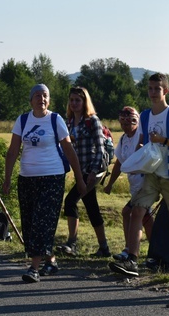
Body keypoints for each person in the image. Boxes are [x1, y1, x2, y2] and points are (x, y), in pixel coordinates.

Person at [3, 84, 87, 283]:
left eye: (45, 96)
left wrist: (80, 178)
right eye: (38, 96)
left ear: (49, 100)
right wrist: (7, 179)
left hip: (52, 177)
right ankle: (51, 260)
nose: (41, 99)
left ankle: (34, 268)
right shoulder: (23, 120)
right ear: (31, 100)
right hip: (27, 178)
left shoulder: (55, 119)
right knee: (31, 223)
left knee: (43, 221)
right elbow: (13, 151)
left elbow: (69, 150)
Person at [108, 73, 169, 277]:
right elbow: (143, 141)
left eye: (157, 89)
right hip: (152, 173)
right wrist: (140, 154)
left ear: (166, 91)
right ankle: (132, 259)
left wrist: (163, 140)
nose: (152, 93)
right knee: (137, 210)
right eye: (150, 88)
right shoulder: (144, 116)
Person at [58, 86, 111, 257]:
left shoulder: (92, 120)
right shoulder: (69, 122)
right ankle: (104, 247)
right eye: (72, 100)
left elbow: (101, 148)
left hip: (93, 171)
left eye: (78, 100)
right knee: (91, 207)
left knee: (71, 201)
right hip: (81, 171)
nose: (74, 103)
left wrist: (93, 171)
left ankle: (72, 244)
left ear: (84, 102)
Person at [104, 106, 155, 262]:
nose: (126, 127)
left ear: (136, 122)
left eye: (129, 123)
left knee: (130, 212)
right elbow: (119, 162)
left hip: (144, 182)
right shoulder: (124, 139)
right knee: (145, 217)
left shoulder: (141, 135)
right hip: (134, 184)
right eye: (123, 123)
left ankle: (131, 250)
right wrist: (110, 183)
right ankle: (153, 251)